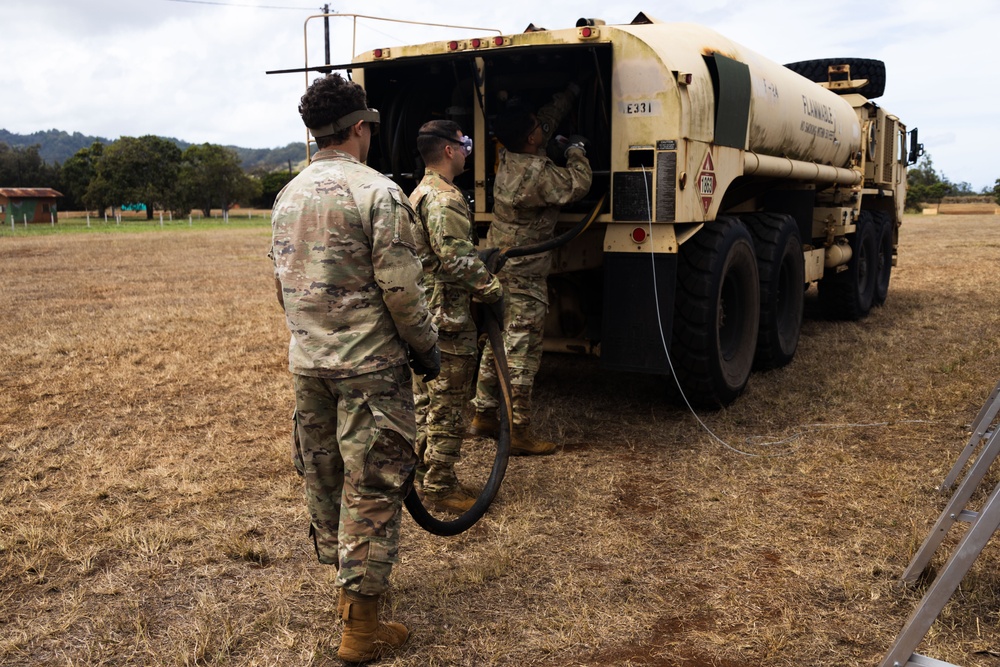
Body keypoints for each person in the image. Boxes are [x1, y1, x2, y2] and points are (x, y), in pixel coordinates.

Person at [270, 73, 439, 664]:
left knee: (327, 475)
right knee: (373, 483)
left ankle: (348, 595)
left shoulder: (287, 196)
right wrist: (427, 347)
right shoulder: (378, 193)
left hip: (308, 364)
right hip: (370, 367)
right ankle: (360, 631)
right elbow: (401, 288)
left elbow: (281, 285)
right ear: (362, 127)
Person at [469, 83, 593, 454]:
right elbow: (578, 184)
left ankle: (484, 415)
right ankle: (519, 430)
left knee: (497, 343)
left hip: (500, 265)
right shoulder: (539, 174)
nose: (542, 129)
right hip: (525, 275)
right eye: (537, 128)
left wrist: (567, 94)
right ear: (531, 137)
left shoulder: (508, 158)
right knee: (522, 351)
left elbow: (539, 126)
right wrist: (576, 151)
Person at [409, 120, 504, 513]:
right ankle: (439, 485)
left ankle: (418, 472)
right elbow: (455, 259)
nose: (468, 148)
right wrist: (493, 289)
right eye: (464, 143)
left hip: (426, 314)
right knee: (448, 405)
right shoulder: (444, 199)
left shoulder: (419, 191)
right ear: (448, 150)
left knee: (425, 401)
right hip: (448, 317)